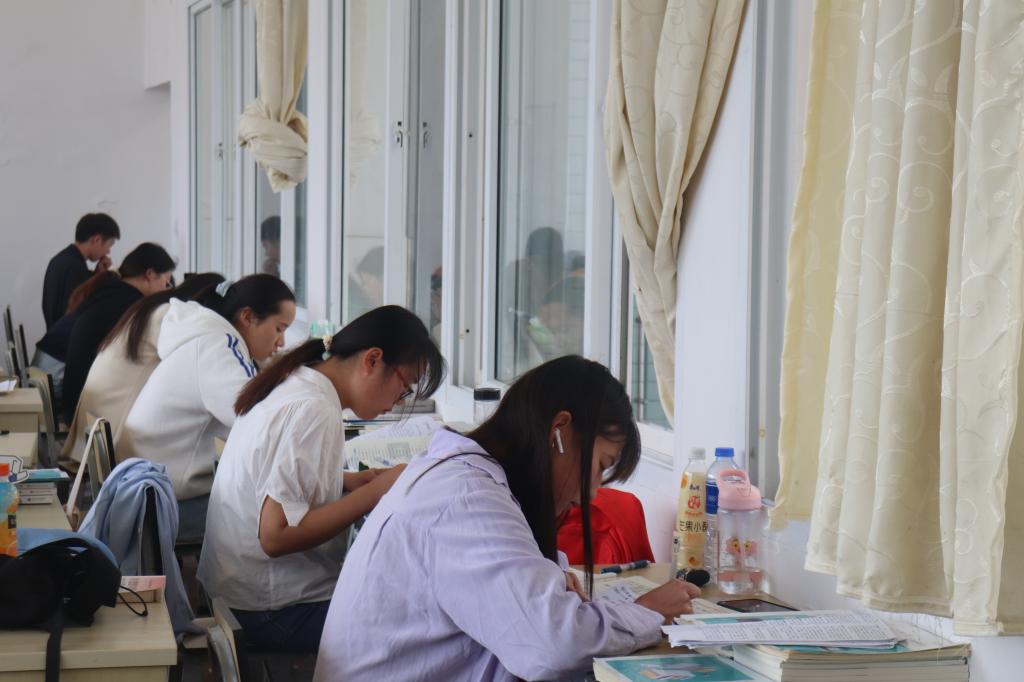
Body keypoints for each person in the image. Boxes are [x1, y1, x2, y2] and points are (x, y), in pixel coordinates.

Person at [314, 355, 700, 681]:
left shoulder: (468, 477)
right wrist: (647, 613)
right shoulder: (466, 497)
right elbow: (553, 645)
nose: (594, 492)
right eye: (600, 465)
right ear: (559, 431)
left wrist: (545, 579)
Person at [198, 305, 445, 654]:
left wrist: (344, 481)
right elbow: (275, 536)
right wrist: (377, 491)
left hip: (236, 593)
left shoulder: (297, 380)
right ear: (373, 360)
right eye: (405, 388)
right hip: (271, 609)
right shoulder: (313, 408)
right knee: (433, 624)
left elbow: (269, 474)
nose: (398, 404)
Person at [120, 274, 296, 540]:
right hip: (165, 504)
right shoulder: (219, 346)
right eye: (279, 329)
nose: (281, 342)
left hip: (149, 489)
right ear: (248, 317)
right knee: (283, 521)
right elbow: (258, 421)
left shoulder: (207, 337)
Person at [62, 273, 225, 462]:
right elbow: (194, 367)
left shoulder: (150, 307)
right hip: (111, 437)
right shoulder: (169, 316)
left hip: (96, 428)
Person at [35, 242, 173, 413]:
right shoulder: (127, 303)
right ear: (150, 274)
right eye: (167, 283)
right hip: (56, 377)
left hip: (48, 371)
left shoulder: (113, 289)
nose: (166, 290)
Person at [42, 212, 120, 330]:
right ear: (97, 240)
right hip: (65, 338)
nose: (108, 251)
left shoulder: (61, 259)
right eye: (110, 245)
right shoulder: (76, 267)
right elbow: (75, 311)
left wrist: (97, 275)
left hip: (54, 334)